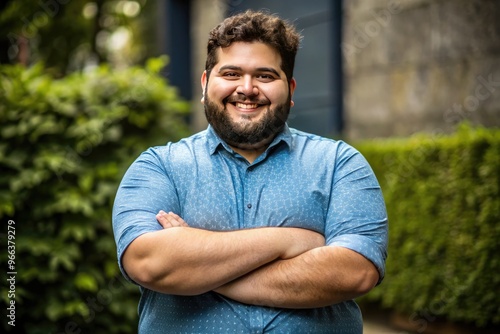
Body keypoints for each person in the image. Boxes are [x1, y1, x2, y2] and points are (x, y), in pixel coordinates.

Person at [112, 10, 388, 334]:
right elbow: (149, 263)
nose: (247, 88)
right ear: (205, 84)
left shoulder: (340, 164)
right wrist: (289, 240)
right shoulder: (158, 167)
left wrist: (197, 267)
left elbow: (354, 272)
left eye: (265, 76)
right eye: (230, 73)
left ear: (291, 89)